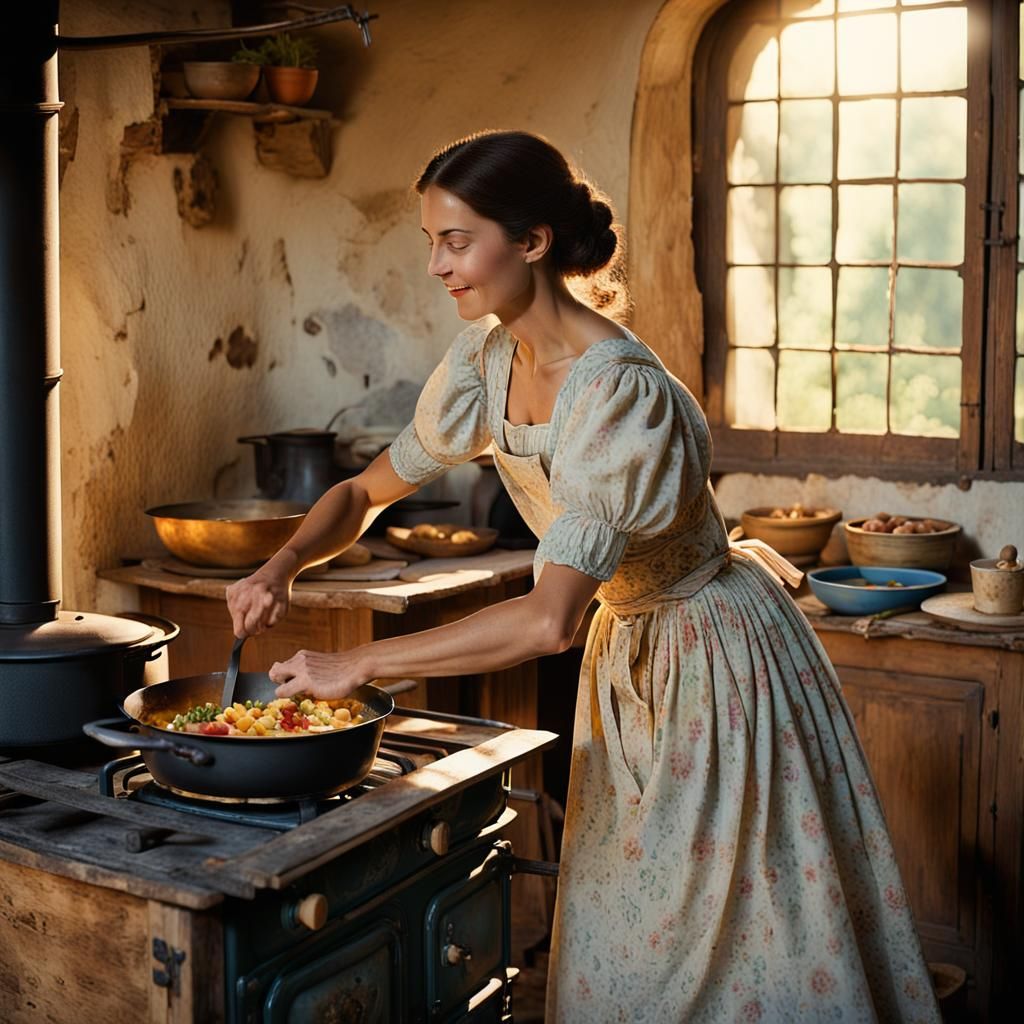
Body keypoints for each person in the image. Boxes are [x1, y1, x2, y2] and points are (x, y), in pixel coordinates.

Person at [226, 130, 940, 1023]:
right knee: (625, 927)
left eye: (457, 241)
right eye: (431, 243)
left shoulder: (617, 393)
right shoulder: (487, 363)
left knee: (728, 943)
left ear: (531, 241)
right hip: (629, 649)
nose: (440, 266)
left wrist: (362, 664)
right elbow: (365, 490)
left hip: (712, 658)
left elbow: (547, 620)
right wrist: (285, 559)